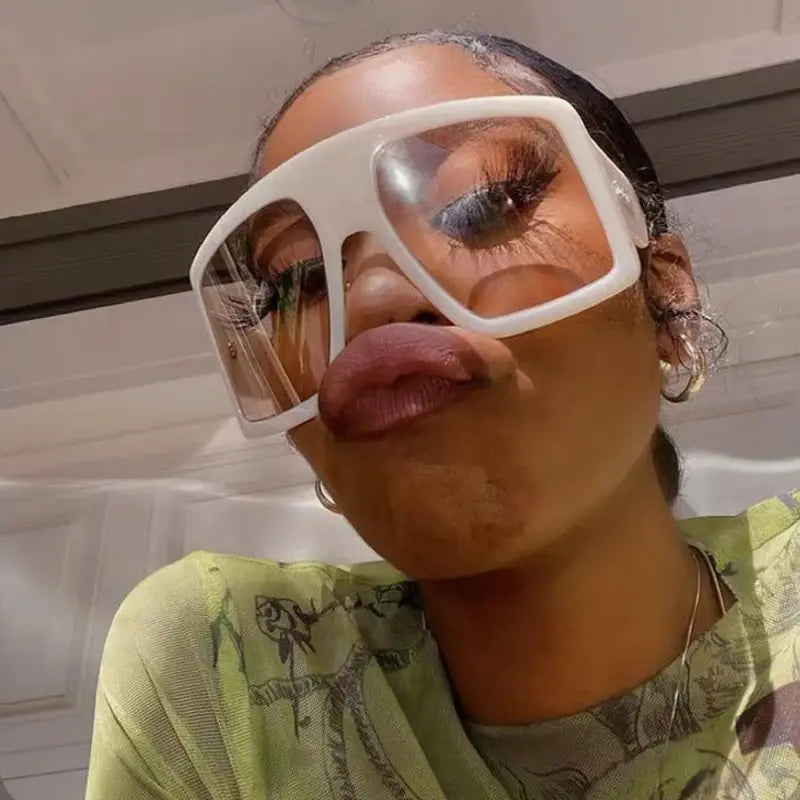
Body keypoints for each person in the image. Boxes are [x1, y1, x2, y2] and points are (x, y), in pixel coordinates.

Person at [86, 31, 800, 800]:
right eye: (299, 280)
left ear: (666, 297)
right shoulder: (223, 674)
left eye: (483, 205)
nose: (372, 302)